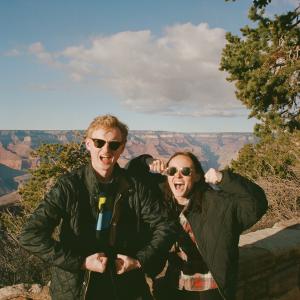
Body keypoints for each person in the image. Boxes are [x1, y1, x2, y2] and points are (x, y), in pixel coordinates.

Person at [19, 115, 177, 300]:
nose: (106, 149)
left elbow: (166, 225)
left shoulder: (134, 186)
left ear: (122, 148)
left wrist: (139, 261)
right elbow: (31, 235)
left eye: (114, 144)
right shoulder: (69, 186)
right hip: (77, 287)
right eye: (99, 142)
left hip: (124, 284)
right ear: (88, 144)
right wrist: (81, 262)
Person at [126, 152, 268, 300]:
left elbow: (257, 203)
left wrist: (223, 178)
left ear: (198, 176)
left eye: (185, 171)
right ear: (167, 175)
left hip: (211, 288)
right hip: (175, 284)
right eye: (172, 171)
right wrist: (146, 161)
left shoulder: (217, 204)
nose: (178, 176)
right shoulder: (163, 201)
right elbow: (130, 178)